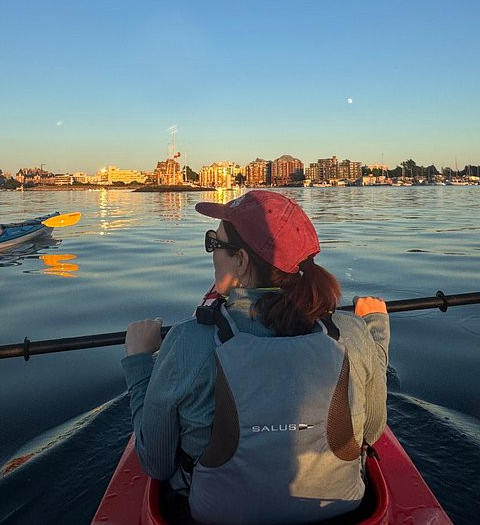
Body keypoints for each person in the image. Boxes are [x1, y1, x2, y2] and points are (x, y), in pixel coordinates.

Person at [123, 190, 389, 525]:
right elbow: (374, 431)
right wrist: (376, 330)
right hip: (341, 510)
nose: (210, 253)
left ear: (242, 261)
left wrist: (138, 362)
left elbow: (155, 463)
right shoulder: (350, 332)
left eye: (213, 243)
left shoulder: (187, 341)